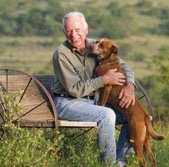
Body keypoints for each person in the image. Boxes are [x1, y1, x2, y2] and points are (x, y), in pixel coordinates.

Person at [51, 11, 136, 166]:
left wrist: (130, 85)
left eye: (77, 30)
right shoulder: (61, 54)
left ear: (86, 29)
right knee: (107, 115)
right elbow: (74, 89)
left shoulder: (97, 46)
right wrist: (103, 80)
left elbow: (124, 66)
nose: (74, 35)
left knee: (132, 116)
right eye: (69, 30)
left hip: (92, 102)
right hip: (67, 102)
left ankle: (120, 160)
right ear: (64, 32)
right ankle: (108, 164)